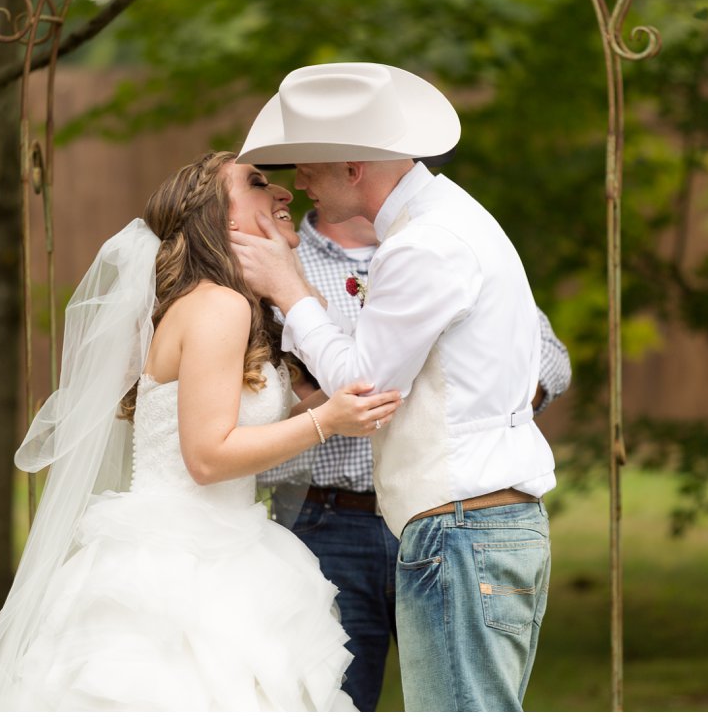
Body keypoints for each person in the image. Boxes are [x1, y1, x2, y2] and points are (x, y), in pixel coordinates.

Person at [0, 150, 403, 711]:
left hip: (222, 545)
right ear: (221, 220)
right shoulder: (218, 307)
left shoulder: (232, 307)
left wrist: (296, 300)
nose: (284, 192)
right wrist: (327, 421)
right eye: (257, 183)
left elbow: (305, 399)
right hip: (178, 569)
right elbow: (208, 457)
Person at [232, 62, 556, 711]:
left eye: (309, 168)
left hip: (462, 529)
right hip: (475, 524)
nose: (299, 184)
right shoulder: (446, 221)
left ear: (354, 169)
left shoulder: (425, 245)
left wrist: (290, 290)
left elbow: (363, 389)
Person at [261, 208, 572, 710]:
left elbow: (551, 356)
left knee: (461, 698)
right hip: (328, 522)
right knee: (331, 699)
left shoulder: (441, 243)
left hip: (446, 510)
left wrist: (487, 404)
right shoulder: (276, 264)